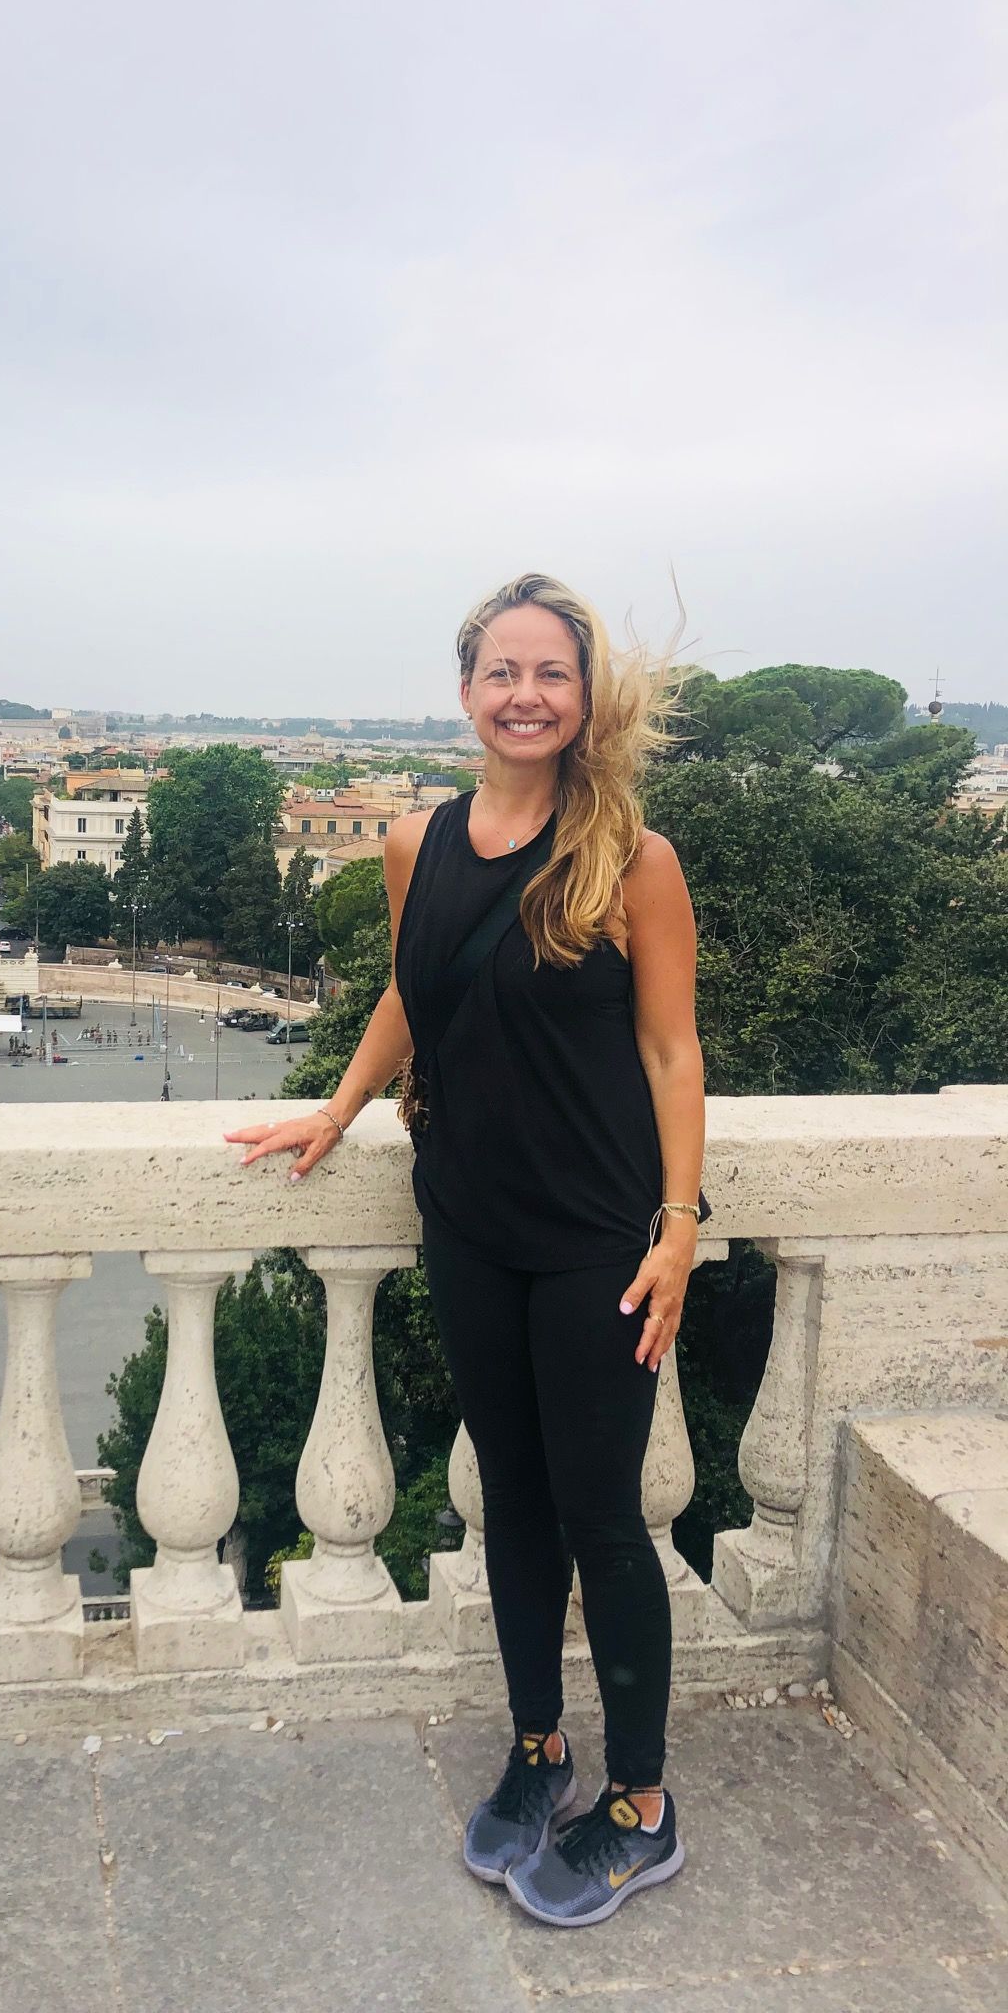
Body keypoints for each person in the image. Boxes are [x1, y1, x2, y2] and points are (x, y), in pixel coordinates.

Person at [225, 573, 704, 1928]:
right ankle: (541, 1747)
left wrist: (679, 1224)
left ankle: (645, 1804)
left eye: (552, 672)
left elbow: (672, 1049)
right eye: (503, 671)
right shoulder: (411, 843)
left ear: (586, 696)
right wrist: (336, 1106)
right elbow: (412, 992)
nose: (526, 694)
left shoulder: (632, 860)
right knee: (514, 1501)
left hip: (598, 1236)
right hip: (470, 1222)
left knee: (606, 1518)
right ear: (465, 693)